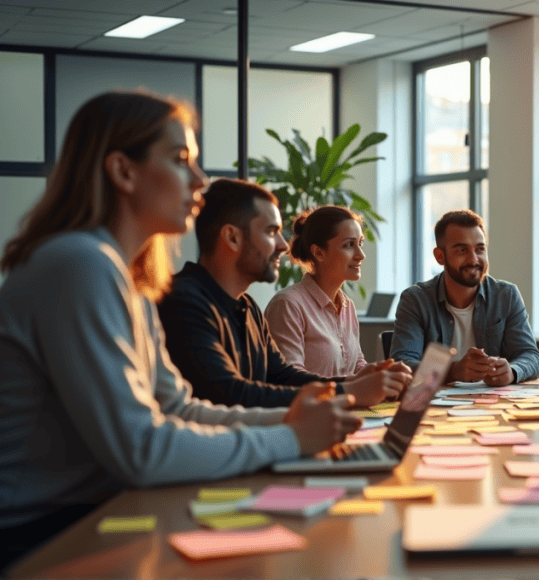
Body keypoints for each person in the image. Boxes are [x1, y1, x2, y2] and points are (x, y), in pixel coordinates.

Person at [0, 91, 362, 570]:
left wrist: (291, 421)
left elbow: (176, 408)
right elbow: (142, 449)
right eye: (180, 160)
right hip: (42, 538)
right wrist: (292, 439)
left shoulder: (129, 278)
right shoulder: (78, 263)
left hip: (98, 513)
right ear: (123, 171)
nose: (199, 179)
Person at [158, 179, 411, 409]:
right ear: (232, 238)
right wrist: (348, 391)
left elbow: (282, 376)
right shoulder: (184, 301)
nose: (283, 244)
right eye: (271, 232)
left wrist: (356, 381)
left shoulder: (246, 305)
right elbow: (228, 394)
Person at [390, 209, 539, 385]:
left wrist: (513, 372)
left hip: (491, 403)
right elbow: (403, 364)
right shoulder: (415, 300)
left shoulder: (506, 296)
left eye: (480, 249)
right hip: (434, 406)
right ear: (440, 256)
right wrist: (453, 371)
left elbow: (531, 356)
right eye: (462, 250)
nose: (474, 259)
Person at [266, 205, 406, 379]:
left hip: (347, 405)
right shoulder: (288, 304)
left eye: (360, 243)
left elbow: (356, 366)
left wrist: (383, 373)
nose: (361, 254)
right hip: (312, 406)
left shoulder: (348, 306)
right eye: (349, 245)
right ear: (319, 253)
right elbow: (289, 378)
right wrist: (352, 382)